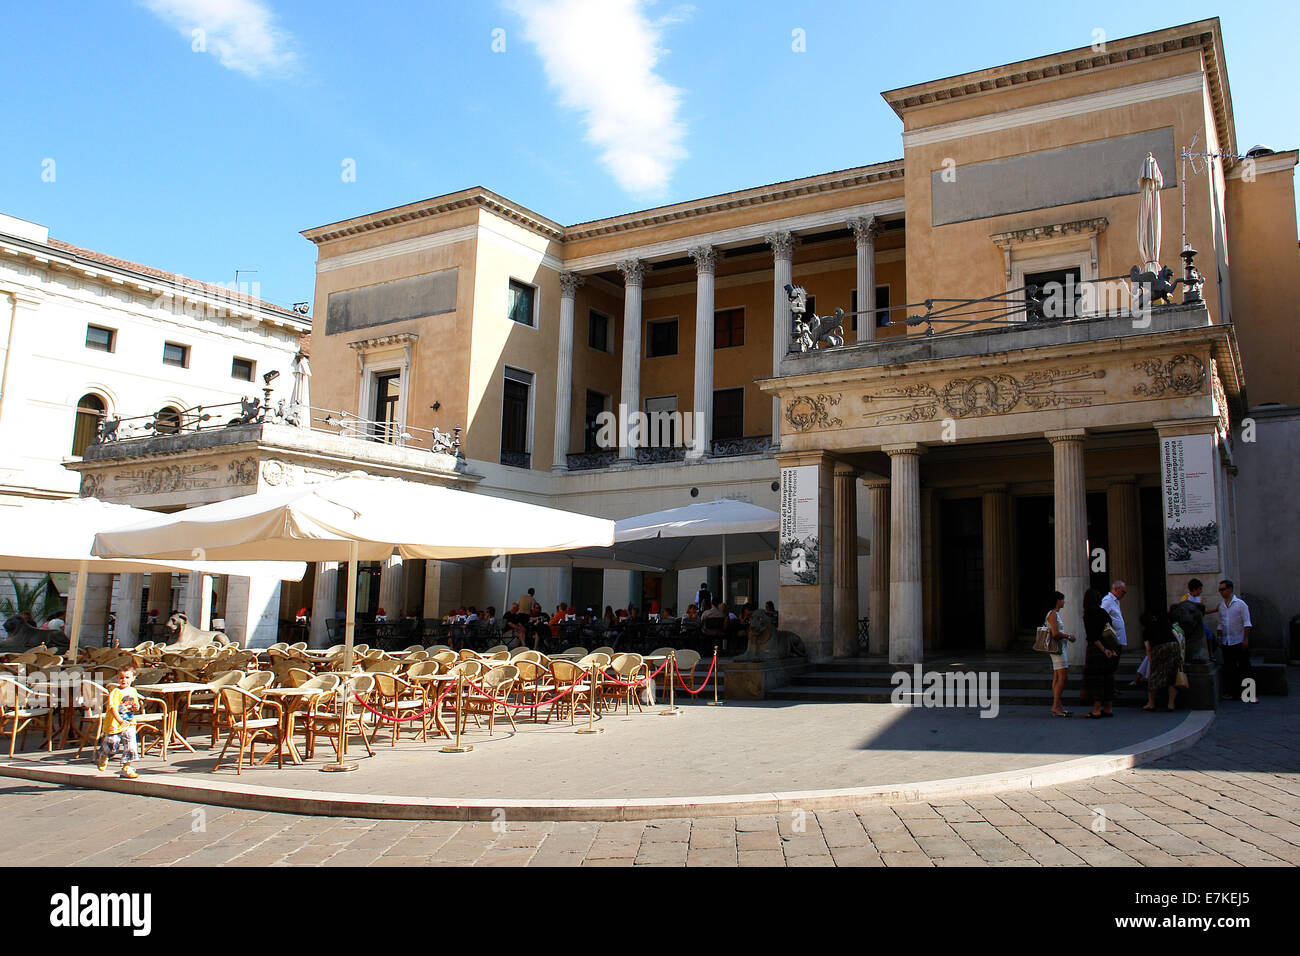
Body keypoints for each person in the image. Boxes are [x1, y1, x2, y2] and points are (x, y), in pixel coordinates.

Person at [96, 665, 142, 779]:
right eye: (121, 678)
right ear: (117, 678)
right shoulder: (115, 692)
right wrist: (120, 720)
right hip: (114, 724)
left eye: (127, 677)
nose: (124, 680)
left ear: (133, 678)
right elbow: (112, 708)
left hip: (129, 723)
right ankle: (103, 755)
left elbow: (133, 707)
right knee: (112, 744)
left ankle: (126, 767)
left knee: (131, 746)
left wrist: (136, 707)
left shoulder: (133, 691)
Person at [1082, 588, 1117, 718]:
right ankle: (1108, 708)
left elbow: (1092, 636)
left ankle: (1096, 709)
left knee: (1096, 680)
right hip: (1109, 649)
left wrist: (1103, 649)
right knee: (1108, 679)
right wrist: (1111, 649)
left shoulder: (1088, 614)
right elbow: (1110, 631)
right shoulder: (1103, 613)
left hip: (1096, 651)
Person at [1217, 579, 1252, 701]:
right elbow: (1220, 624)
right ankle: (1233, 693)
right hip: (1227, 642)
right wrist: (1220, 638)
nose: (1221, 592)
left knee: (1245, 668)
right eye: (1219, 590)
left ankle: (1249, 694)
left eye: (1223, 589)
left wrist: (1245, 639)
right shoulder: (1221, 606)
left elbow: (1247, 623)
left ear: (1230, 589)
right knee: (1229, 668)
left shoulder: (1241, 604)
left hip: (1239, 640)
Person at [1142, 609, 1183, 712]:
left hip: (1159, 649)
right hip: (1174, 647)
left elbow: (1148, 648)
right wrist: (1181, 654)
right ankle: (1171, 704)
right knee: (1172, 676)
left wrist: (1151, 661)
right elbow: (1176, 637)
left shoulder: (1147, 630)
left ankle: (1151, 703)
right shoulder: (1165, 624)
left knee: (1155, 676)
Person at [1045, 590, 1077, 716]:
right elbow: (1055, 633)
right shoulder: (1053, 614)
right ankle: (1055, 705)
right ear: (1058, 601)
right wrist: (1068, 636)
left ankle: (1058, 705)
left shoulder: (1052, 613)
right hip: (1058, 650)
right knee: (1063, 677)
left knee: (1057, 676)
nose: (1064, 602)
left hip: (1057, 649)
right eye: (1062, 599)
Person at [1100, 581, 1128, 686]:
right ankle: (1109, 687)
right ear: (1116, 589)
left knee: (1114, 665)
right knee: (1111, 665)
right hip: (1112, 640)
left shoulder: (1116, 601)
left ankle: (1111, 687)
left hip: (1118, 639)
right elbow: (1102, 616)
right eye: (1123, 591)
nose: (1124, 594)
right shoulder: (1107, 601)